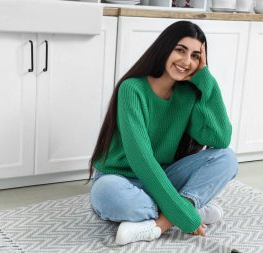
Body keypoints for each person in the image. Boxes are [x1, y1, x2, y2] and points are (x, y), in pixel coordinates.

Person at [88, 20, 238, 245]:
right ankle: (189, 204)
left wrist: (206, 79)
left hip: (164, 175)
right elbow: (142, 160)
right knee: (107, 194)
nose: (186, 61)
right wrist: (184, 215)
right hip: (119, 178)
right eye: (180, 50)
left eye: (196, 56)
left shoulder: (187, 94)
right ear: (165, 48)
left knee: (227, 158)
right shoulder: (132, 89)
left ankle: (162, 222)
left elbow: (220, 138)